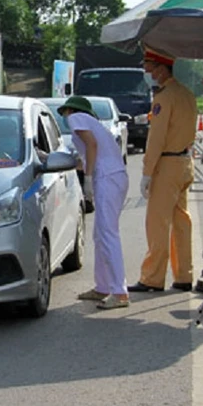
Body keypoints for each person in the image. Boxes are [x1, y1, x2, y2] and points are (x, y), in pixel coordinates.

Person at [128, 47, 198, 293]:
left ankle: (152, 278)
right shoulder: (187, 94)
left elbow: (156, 138)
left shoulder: (164, 97)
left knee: (157, 223)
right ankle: (184, 275)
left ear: (161, 68)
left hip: (167, 165)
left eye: (149, 68)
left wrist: (147, 172)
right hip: (185, 162)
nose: (147, 73)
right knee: (181, 222)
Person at [58, 96, 130, 310]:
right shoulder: (94, 124)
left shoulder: (77, 118)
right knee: (100, 235)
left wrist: (87, 179)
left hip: (107, 178)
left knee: (108, 234)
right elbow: (85, 158)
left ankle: (119, 292)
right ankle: (103, 286)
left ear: (70, 110)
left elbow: (91, 145)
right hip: (112, 177)